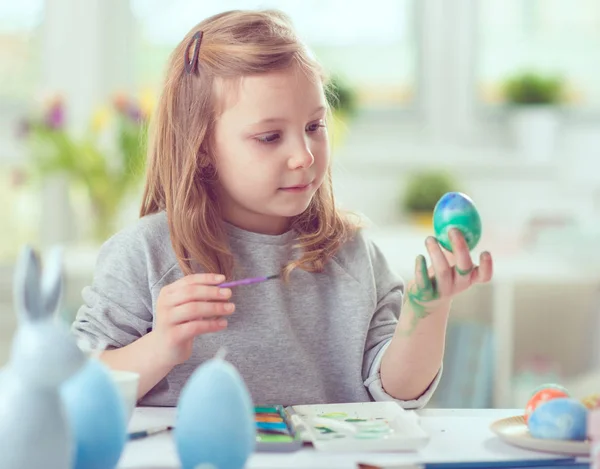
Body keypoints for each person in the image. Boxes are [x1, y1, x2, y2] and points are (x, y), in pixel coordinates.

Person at [71, 9, 493, 408]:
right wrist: (158, 346)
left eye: (314, 127)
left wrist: (428, 312)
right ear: (201, 150)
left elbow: (397, 393)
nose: (304, 155)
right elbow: (80, 385)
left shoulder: (353, 256)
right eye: (270, 137)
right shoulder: (147, 254)